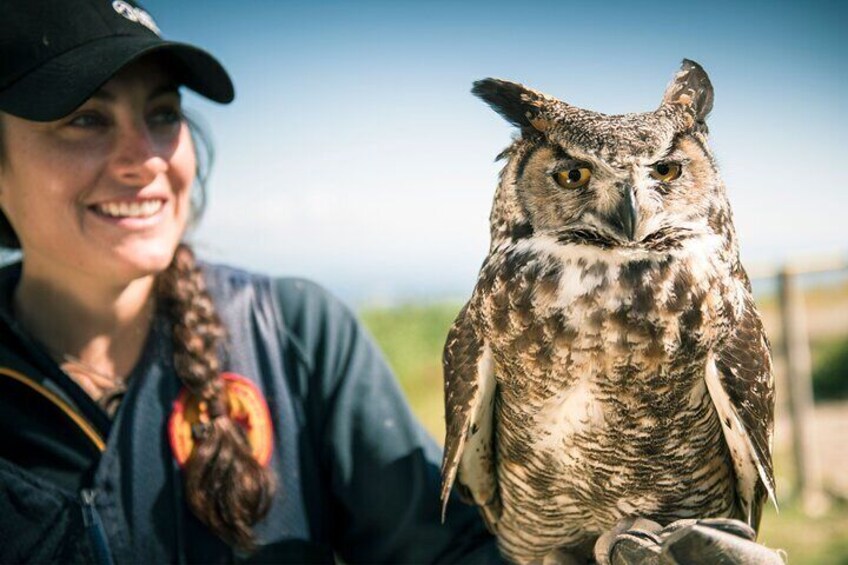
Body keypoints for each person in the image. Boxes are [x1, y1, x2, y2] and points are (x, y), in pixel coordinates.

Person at [0, 0, 500, 562]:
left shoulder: (295, 335)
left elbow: (449, 551)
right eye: (86, 119)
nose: (145, 158)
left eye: (163, 114)